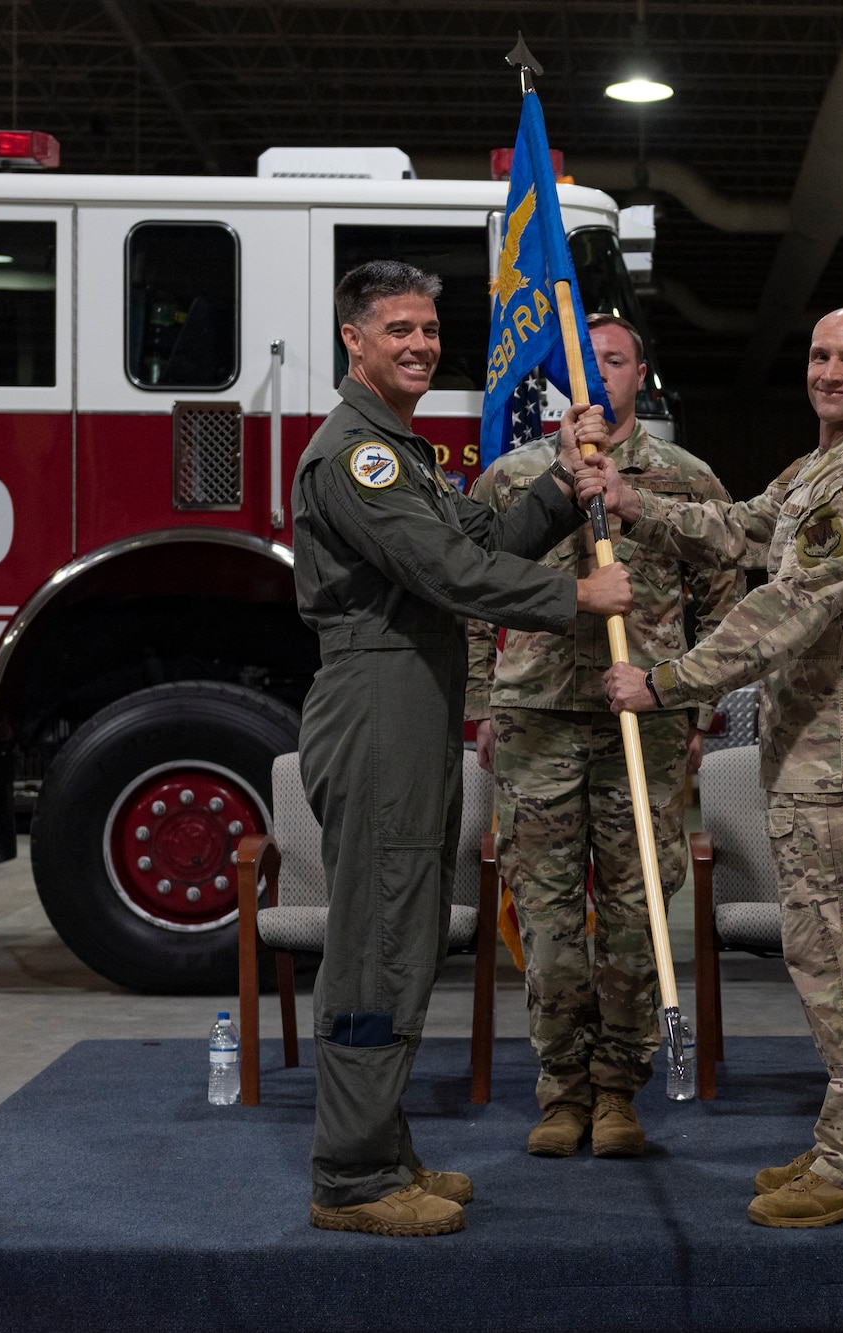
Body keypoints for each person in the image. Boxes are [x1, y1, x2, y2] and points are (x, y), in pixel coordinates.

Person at [292, 260, 631, 1237]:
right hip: (377, 697)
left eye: (430, 330)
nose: (419, 344)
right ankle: (350, 1176)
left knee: (401, 931)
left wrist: (564, 490)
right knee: (375, 940)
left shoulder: (401, 451)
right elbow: (448, 571)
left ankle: (383, 1149)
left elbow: (480, 532)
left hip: (414, 696)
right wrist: (575, 598)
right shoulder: (355, 453)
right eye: (397, 328)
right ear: (352, 339)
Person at [592, 305, 843, 1229]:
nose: (829, 371)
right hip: (809, 737)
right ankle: (842, 1141)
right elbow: (743, 530)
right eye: (819, 353)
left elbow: (784, 611)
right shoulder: (821, 464)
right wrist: (634, 506)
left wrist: (662, 682)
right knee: (824, 948)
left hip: (840, 744)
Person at [466, 314, 744, 1159]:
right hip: (537, 721)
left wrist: (695, 707)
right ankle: (562, 1091)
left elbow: (723, 606)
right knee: (548, 922)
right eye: (585, 363)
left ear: (638, 375)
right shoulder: (514, 480)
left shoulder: (686, 480)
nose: (599, 376)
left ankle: (621, 1087)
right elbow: (471, 591)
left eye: (615, 360)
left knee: (635, 916)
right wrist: (483, 703)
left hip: (645, 721)